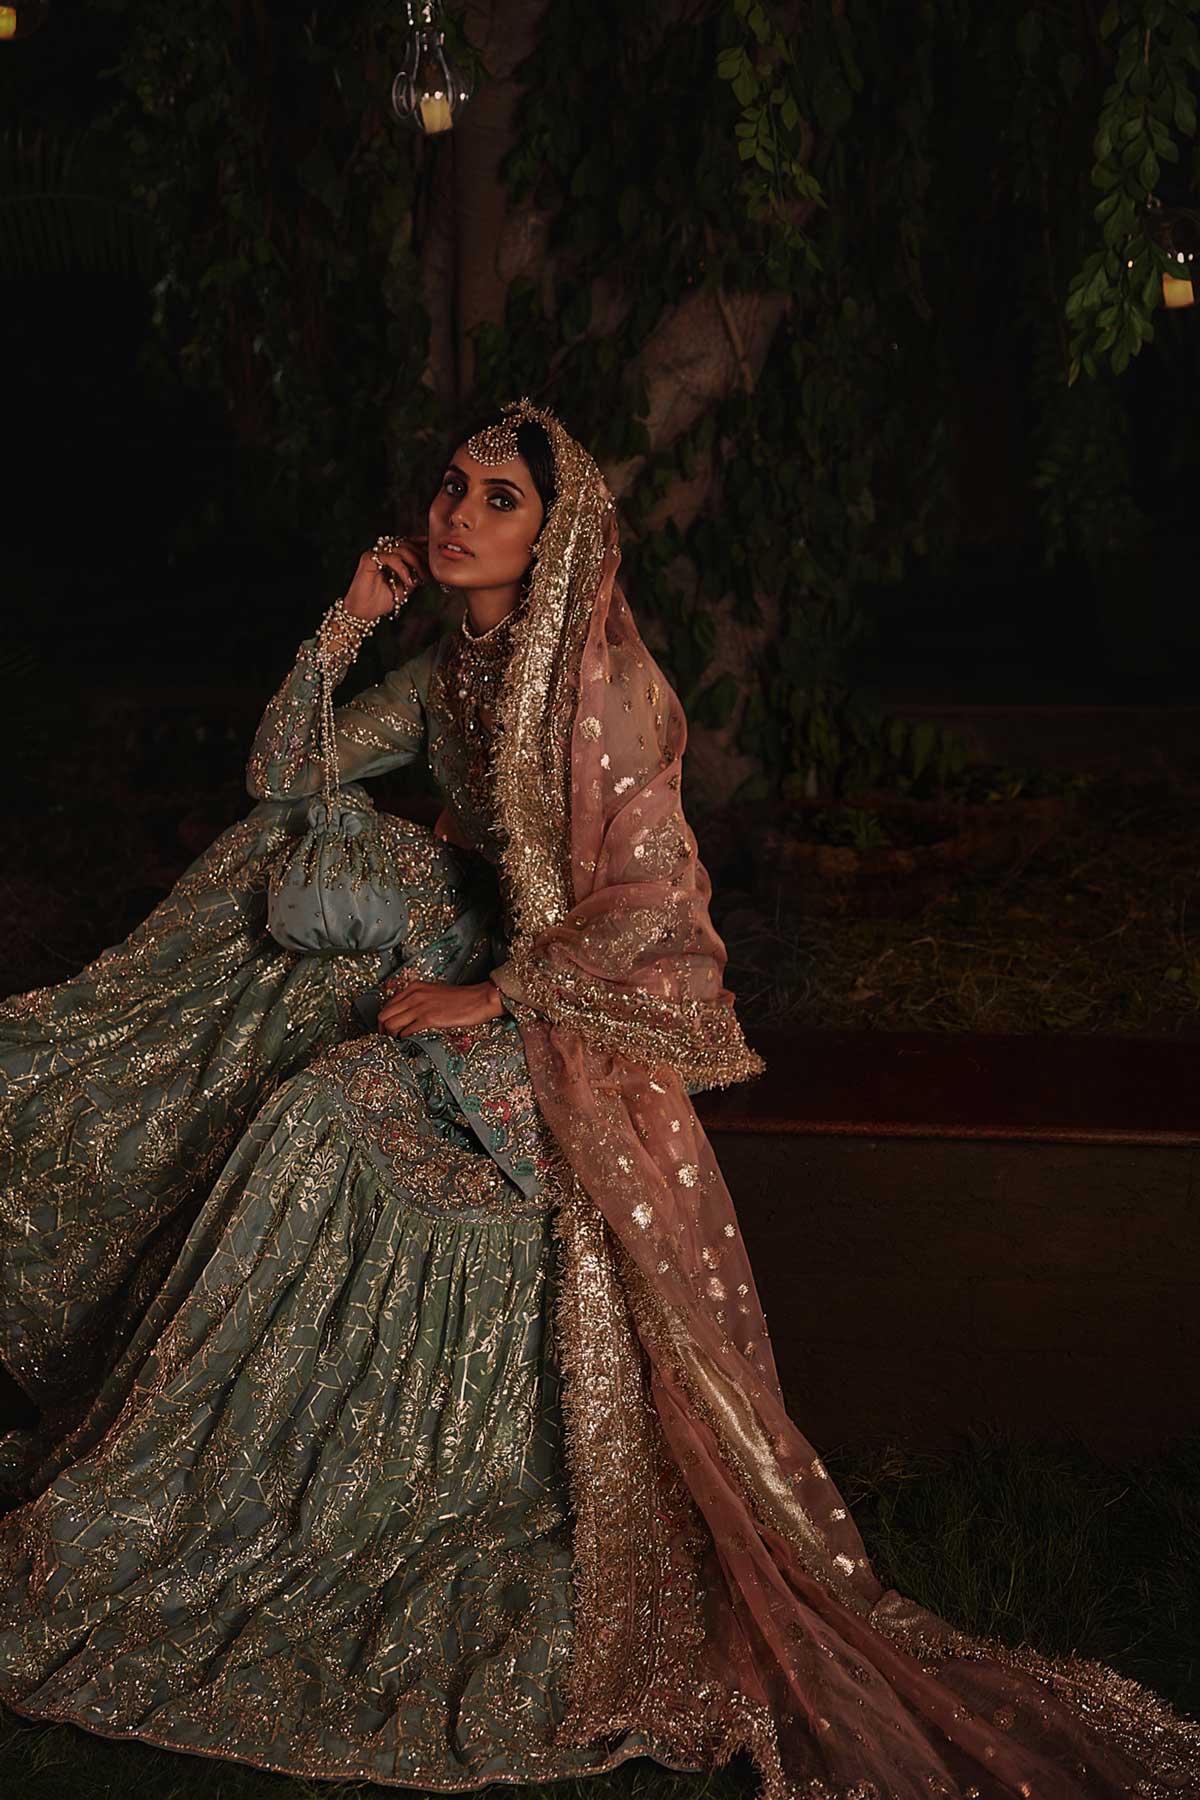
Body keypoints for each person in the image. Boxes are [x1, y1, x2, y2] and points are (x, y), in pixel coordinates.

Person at [0, 398, 1195, 1800]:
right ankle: (197, 1489)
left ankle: (328, 1496)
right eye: (450, 485)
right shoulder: (455, 671)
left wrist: (492, 996)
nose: (454, 514)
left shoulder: (603, 692)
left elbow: (656, 914)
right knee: (299, 1046)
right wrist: (349, 617)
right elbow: (281, 777)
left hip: (570, 1034)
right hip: (486, 993)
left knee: (321, 1117)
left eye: (495, 499)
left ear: (556, 536)